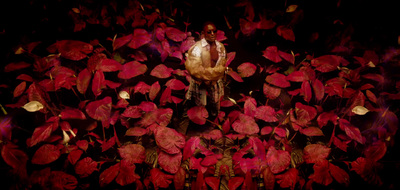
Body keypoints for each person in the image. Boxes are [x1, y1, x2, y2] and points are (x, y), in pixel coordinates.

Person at [184, 21, 227, 117]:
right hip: (200, 82)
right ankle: (200, 124)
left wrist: (215, 74)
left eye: (214, 31)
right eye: (209, 32)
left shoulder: (220, 47)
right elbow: (194, 70)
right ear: (203, 33)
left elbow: (222, 64)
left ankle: (214, 120)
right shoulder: (197, 48)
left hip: (215, 82)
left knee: (216, 103)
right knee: (200, 105)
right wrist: (215, 73)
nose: (212, 34)